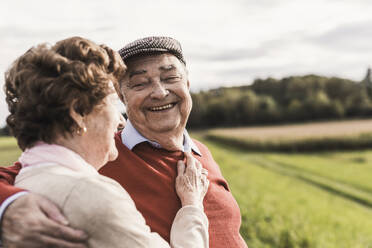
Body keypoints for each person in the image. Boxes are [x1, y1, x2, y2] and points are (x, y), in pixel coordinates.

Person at [0, 36, 247, 248]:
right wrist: (8, 204)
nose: (160, 92)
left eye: (170, 77)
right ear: (122, 95)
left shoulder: (201, 152)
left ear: (187, 84)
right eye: (140, 83)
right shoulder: (98, 161)